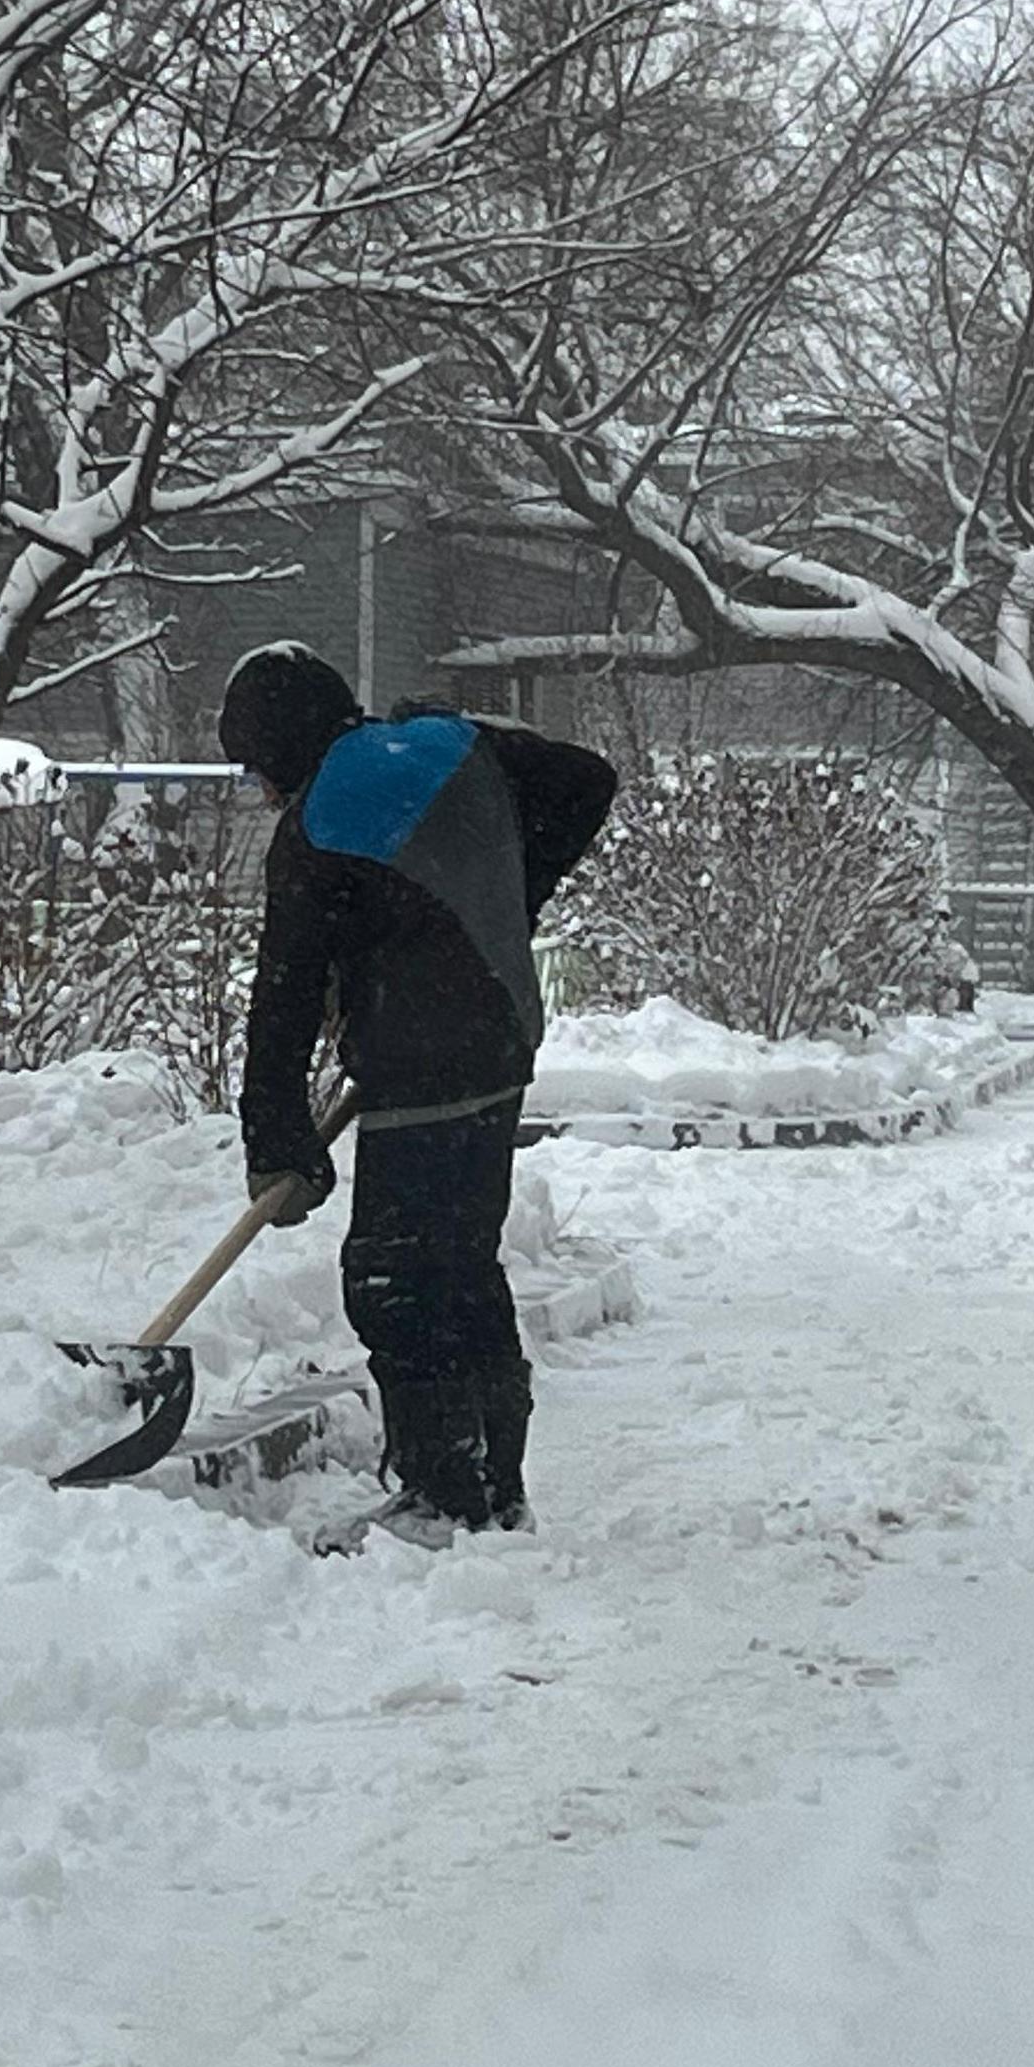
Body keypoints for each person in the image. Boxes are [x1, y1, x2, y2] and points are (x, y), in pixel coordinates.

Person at [220, 641, 616, 1543]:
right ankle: (491, 1483)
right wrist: (505, 901)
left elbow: (280, 1000)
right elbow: (587, 780)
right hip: (500, 1046)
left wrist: (277, 1144)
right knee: (463, 1266)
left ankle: (443, 1495)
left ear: (280, 748)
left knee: (393, 1279)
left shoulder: (319, 820)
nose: (261, 790)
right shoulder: (450, 743)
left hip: (420, 1062)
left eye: (255, 770)